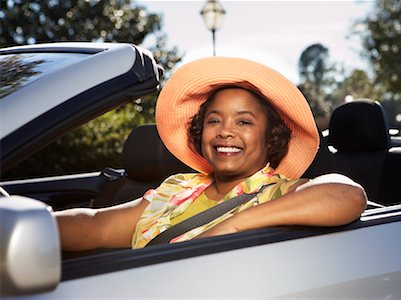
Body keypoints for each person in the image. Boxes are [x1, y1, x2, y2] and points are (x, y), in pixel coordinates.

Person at [55, 57, 367, 250]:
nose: (224, 131)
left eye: (243, 121)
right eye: (213, 120)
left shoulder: (278, 192)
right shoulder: (177, 188)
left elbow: (347, 195)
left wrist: (233, 225)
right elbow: (95, 226)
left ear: (270, 136)